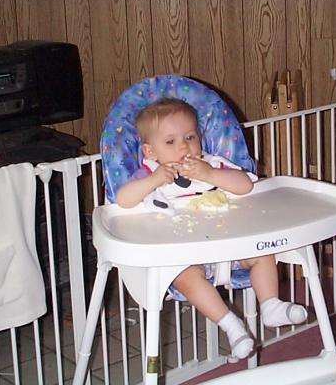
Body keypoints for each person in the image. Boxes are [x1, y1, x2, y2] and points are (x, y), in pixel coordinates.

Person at [115, 97, 308, 360]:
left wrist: (210, 175)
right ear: (150, 152)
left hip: (232, 246)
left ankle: (270, 305)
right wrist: (154, 180)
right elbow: (123, 200)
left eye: (190, 137)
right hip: (187, 255)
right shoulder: (150, 174)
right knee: (184, 277)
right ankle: (231, 325)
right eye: (170, 141)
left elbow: (245, 185)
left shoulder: (211, 164)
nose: (183, 146)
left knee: (263, 252)